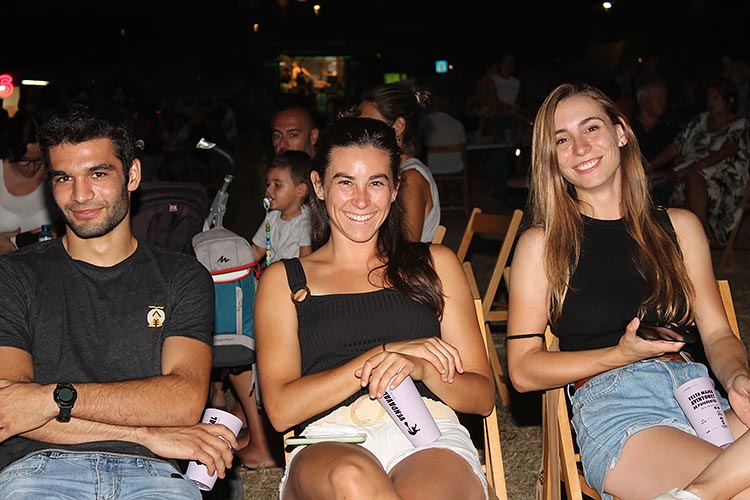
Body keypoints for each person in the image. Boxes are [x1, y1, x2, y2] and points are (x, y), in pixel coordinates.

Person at [506, 82, 750, 500]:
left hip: (699, 396)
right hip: (617, 407)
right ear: (551, 158)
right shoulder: (542, 244)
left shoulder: (681, 227)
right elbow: (523, 370)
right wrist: (620, 354)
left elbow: (717, 334)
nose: (580, 147)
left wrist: (737, 377)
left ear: (620, 132)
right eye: (562, 140)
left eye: (591, 128)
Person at [0, 101, 237, 499]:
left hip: (154, 475)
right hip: (39, 469)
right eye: (63, 178)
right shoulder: (14, 275)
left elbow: (182, 402)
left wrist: (50, 398)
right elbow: (9, 409)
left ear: (132, 175)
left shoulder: (181, 276)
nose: (80, 195)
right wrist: (146, 434)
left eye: (98, 174)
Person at [254, 116, 495, 500]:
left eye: (376, 183)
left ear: (396, 188)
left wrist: (422, 369)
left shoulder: (435, 264)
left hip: (428, 433)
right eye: (345, 182)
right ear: (318, 185)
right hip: (329, 439)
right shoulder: (284, 280)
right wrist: (383, 355)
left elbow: (482, 397)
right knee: (353, 479)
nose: (362, 200)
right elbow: (282, 410)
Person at [648, 77, 750, 245]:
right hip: (688, 170)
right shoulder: (700, 120)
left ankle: (700, 235)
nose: (710, 102)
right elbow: (676, 147)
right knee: (653, 179)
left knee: (688, 177)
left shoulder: (740, 125)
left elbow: (722, 154)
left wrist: (682, 171)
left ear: (729, 101)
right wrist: (649, 166)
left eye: (716, 98)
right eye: (709, 97)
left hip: (722, 178)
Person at [359, 81, 441, 243]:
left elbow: (405, 247)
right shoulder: (388, 171)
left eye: (369, 125)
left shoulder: (411, 178)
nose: (361, 132)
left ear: (398, 126)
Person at [0, 110, 60, 254]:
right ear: (12, 152)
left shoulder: (54, 175)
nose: (32, 168)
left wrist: (59, 234)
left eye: (38, 160)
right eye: (24, 161)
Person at [252, 150, 313, 264]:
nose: (269, 189)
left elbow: (305, 262)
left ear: (300, 190)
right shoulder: (271, 217)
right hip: (273, 271)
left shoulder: (306, 222)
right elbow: (257, 250)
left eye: (277, 185)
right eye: (268, 184)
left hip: (291, 273)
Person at [631, 80, 679, 205]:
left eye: (664, 97)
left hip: (662, 184)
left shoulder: (671, 130)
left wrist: (669, 174)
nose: (663, 101)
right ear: (642, 100)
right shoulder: (626, 129)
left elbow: (680, 159)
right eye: (659, 97)